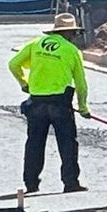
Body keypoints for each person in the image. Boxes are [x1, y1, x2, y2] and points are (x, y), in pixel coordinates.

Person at [9, 11, 90, 195]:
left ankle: (31, 183)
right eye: (74, 33)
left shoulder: (36, 44)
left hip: (36, 101)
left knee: (35, 143)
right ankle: (70, 182)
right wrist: (83, 107)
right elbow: (81, 84)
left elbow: (13, 64)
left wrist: (24, 84)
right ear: (69, 33)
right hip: (60, 102)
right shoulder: (71, 51)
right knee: (67, 143)